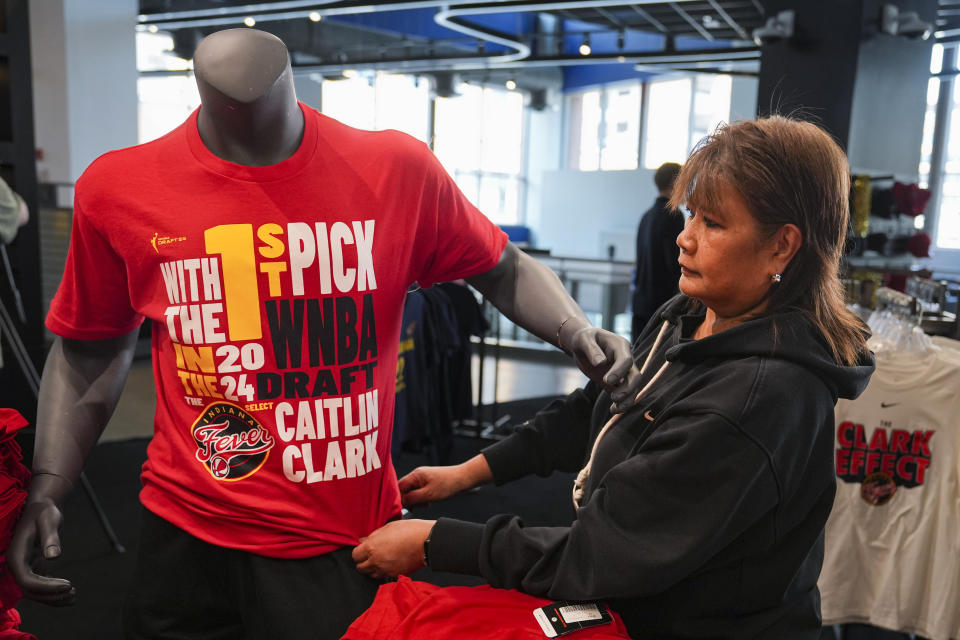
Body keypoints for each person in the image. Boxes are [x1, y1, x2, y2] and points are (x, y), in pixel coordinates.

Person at [6, 29, 643, 640]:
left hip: (339, 542)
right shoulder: (119, 187)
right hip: (183, 533)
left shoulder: (393, 168)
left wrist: (575, 330)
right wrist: (48, 484)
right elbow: (91, 342)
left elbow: (500, 266)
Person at [352, 116, 876, 639]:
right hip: (631, 603)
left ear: (782, 245)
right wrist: (472, 471)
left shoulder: (759, 397)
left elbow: (601, 554)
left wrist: (433, 543)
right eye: (690, 215)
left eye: (712, 224)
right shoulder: (690, 313)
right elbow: (598, 409)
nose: (685, 239)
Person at [631, 162, 684, 343]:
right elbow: (675, 262)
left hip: (640, 300)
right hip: (662, 304)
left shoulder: (646, 216)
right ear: (675, 183)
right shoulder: (673, 216)